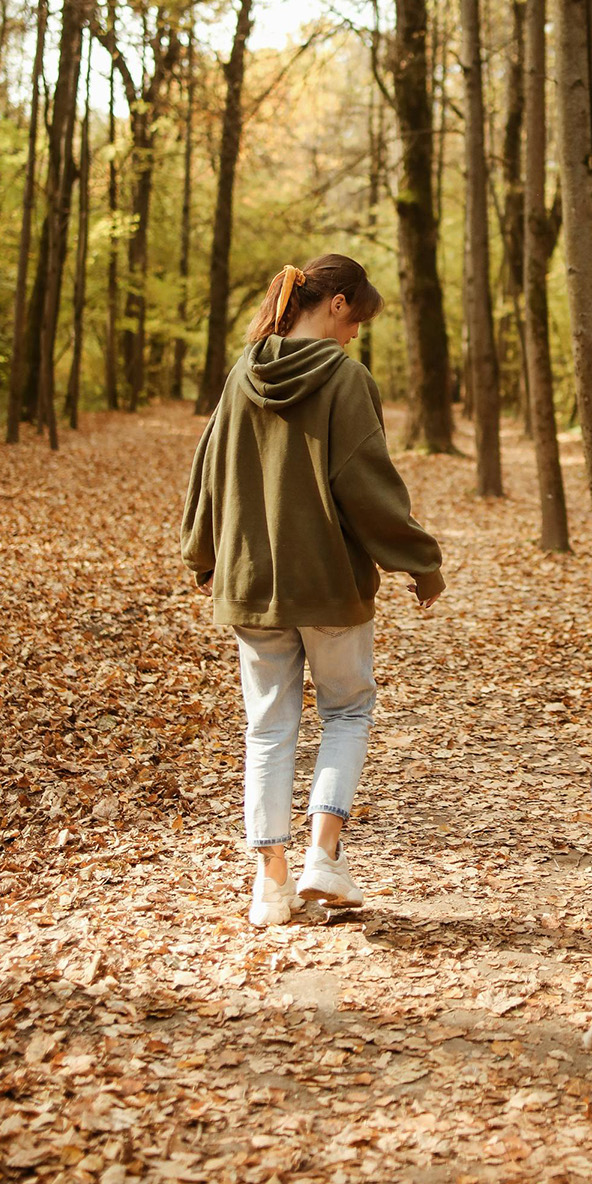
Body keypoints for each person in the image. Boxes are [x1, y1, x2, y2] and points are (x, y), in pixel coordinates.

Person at [181, 254, 445, 927]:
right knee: (348, 712)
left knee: (268, 729)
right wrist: (419, 561)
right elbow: (367, 483)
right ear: (336, 305)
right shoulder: (345, 379)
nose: (355, 334)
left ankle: (269, 885)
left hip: (253, 584)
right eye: (356, 319)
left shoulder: (244, 372)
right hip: (329, 585)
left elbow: (209, 468)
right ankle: (321, 860)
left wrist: (203, 552)